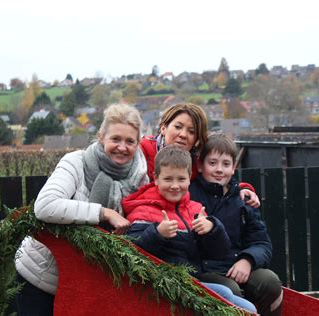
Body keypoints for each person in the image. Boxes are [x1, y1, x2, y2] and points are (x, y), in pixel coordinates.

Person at [14, 103, 149, 315]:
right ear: (101, 137)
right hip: (43, 277)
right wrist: (104, 213)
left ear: (138, 144)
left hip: (89, 286)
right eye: (115, 139)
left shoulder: (140, 179)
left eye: (130, 141)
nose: (122, 147)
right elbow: (45, 206)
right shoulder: (76, 162)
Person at [122, 145, 256, 313]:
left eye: (181, 179)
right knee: (226, 294)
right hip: (161, 286)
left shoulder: (194, 209)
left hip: (191, 280)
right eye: (168, 179)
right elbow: (130, 253)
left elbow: (219, 254)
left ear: (188, 179)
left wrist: (213, 228)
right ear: (156, 178)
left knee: (248, 307)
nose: (175, 186)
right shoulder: (144, 210)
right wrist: (157, 234)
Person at [189, 133, 283, 316]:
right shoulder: (191, 194)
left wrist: (247, 260)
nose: (219, 169)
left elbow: (261, 242)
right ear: (200, 166)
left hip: (236, 263)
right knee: (231, 290)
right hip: (206, 269)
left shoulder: (241, 199)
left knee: (269, 281)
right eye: (212, 163)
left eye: (225, 164)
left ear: (233, 168)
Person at [140, 102, 260, 208]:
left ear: (196, 138)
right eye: (178, 127)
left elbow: (216, 181)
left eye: (191, 132)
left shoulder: (194, 162)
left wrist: (243, 188)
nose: (183, 134)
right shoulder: (142, 151)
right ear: (163, 128)